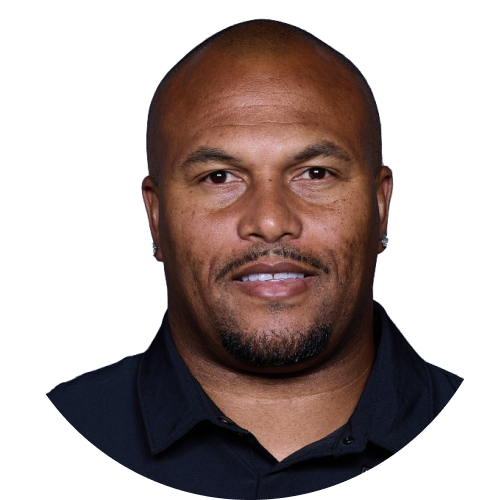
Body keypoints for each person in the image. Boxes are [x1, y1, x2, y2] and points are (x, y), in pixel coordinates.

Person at [46, 19, 463, 497]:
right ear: (155, 219)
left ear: (381, 207)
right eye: (219, 177)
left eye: (315, 173)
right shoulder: (73, 420)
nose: (269, 221)